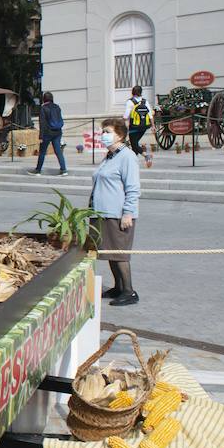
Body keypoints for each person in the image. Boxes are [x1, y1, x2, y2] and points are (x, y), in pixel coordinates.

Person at [91, 117, 141, 306]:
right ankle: (118, 287)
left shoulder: (127, 156)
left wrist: (128, 212)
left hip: (118, 214)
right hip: (103, 212)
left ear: (119, 135)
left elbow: (133, 187)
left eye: (107, 132)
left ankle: (129, 291)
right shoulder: (110, 156)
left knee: (120, 254)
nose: (103, 135)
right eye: (103, 132)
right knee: (110, 252)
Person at [30, 92, 69, 176]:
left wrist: (41, 136)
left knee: (42, 152)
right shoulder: (57, 107)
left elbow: (42, 123)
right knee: (58, 151)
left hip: (47, 133)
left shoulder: (43, 108)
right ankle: (63, 169)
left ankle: (38, 170)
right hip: (58, 132)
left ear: (44, 99)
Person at [125, 85, 154, 167]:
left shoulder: (130, 102)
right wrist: (153, 126)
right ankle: (134, 161)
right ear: (141, 92)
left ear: (132, 92)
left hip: (134, 126)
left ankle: (146, 156)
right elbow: (150, 115)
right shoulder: (145, 101)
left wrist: (125, 125)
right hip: (144, 126)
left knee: (134, 144)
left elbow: (126, 116)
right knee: (135, 143)